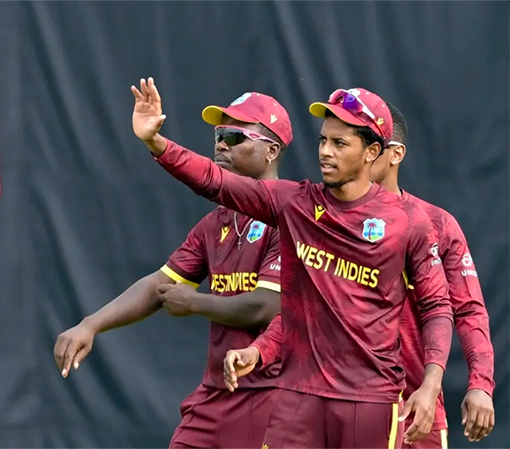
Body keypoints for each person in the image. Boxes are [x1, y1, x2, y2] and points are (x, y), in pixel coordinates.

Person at [132, 78, 453, 449]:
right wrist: (156, 142)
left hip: (368, 402)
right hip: (299, 399)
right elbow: (214, 181)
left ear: (371, 152)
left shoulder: (408, 222)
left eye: (339, 143)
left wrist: (430, 384)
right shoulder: (297, 204)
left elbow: (437, 307)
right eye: (322, 140)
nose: (325, 152)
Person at [54, 92, 292, 448]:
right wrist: (91, 324)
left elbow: (266, 306)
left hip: (272, 394)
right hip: (216, 394)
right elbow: (159, 285)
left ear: (271, 150)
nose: (221, 145)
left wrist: (195, 303)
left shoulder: (292, 218)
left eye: (234, 136)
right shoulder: (215, 224)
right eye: (219, 135)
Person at [369, 103, 495, 446]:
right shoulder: (322, 218)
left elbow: (468, 309)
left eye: (370, 141)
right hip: (339, 402)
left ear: (395, 154)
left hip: (416, 407)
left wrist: (480, 384)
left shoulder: (437, 224)